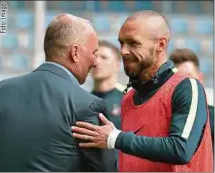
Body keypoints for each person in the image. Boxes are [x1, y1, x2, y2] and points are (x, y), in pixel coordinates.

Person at [71, 10, 214, 172]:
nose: (124, 51)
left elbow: (181, 149)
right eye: (121, 43)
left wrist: (115, 137)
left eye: (133, 43)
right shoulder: (128, 98)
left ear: (160, 45)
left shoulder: (186, 86)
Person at [0, 14, 116, 172]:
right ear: (75, 52)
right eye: (94, 53)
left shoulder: (2, 90)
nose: (95, 62)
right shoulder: (86, 105)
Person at [169, 48, 214, 148]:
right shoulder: (164, 117)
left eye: (189, 78)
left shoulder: (212, 118)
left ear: (200, 79)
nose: (185, 86)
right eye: (178, 79)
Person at [91, 40, 123, 130]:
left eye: (104, 57)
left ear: (117, 64)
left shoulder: (129, 97)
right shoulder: (83, 100)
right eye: (94, 57)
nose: (97, 62)